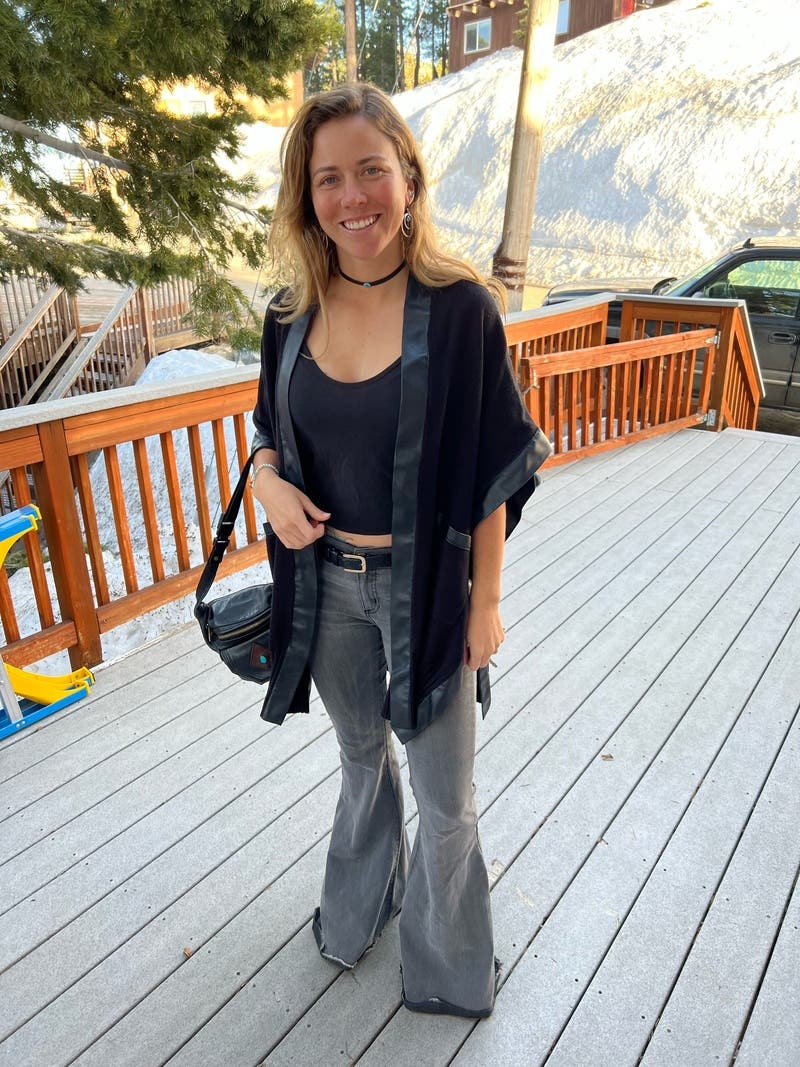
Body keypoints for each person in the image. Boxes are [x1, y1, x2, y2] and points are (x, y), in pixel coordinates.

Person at [250, 83, 551, 1019]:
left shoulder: (461, 310)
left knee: (445, 794)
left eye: (371, 170)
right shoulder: (289, 311)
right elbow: (268, 429)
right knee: (359, 755)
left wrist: (485, 600)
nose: (352, 197)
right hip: (325, 584)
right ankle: (359, 908)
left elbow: (492, 463)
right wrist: (264, 478)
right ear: (307, 196)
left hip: (428, 588)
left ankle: (450, 968)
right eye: (328, 178)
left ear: (409, 180)